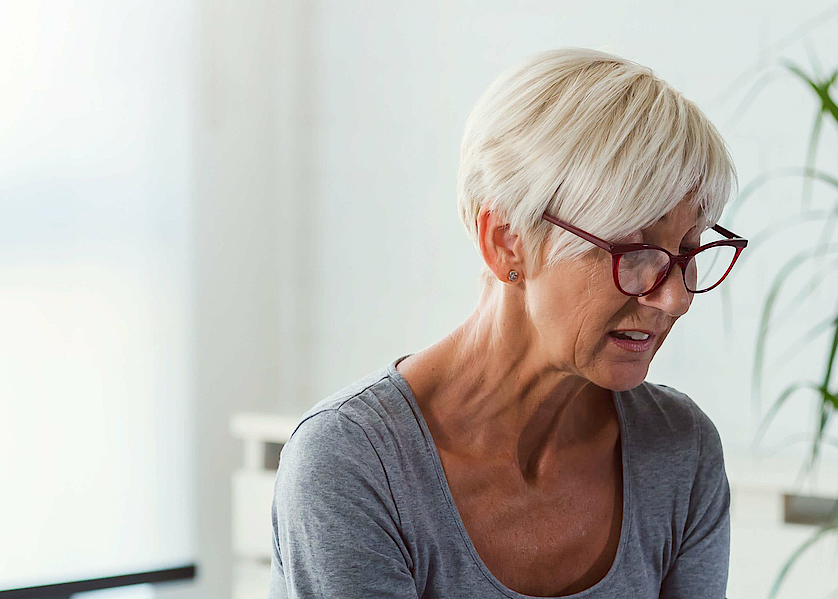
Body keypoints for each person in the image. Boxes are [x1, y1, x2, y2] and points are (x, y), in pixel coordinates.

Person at [268, 48, 743, 598]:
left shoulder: (680, 451)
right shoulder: (355, 466)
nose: (676, 298)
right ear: (506, 241)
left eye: (687, 252)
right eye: (634, 252)